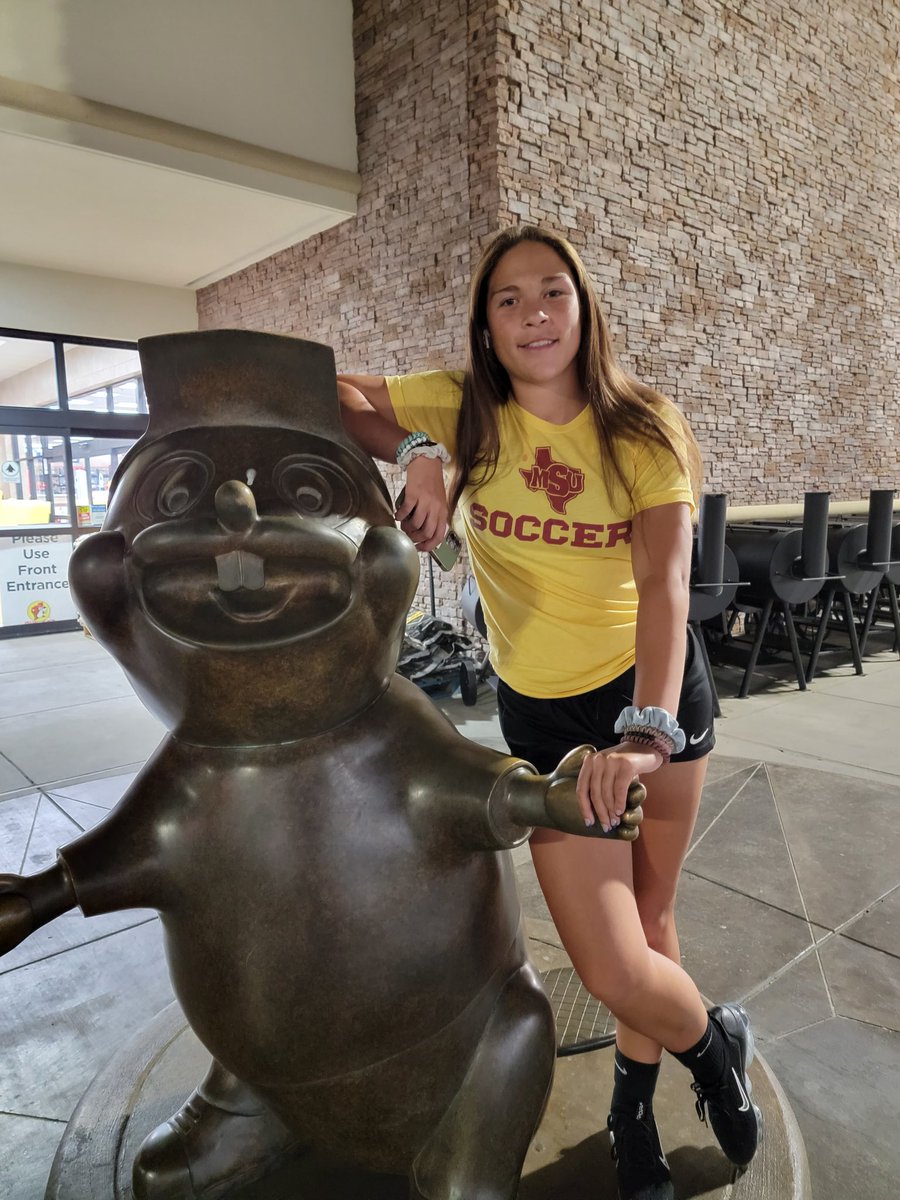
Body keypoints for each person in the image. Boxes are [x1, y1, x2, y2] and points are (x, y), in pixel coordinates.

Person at [337, 225, 760, 1200]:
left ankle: (630, 1110)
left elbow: (664, 586)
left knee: (650, 920)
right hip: (542, 711)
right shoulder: (465, 409)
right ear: (486, 326)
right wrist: (417, 453)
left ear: (583, 307)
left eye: (552, 292)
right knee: (613, 964)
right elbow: (328, 387)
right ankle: (714, 1045)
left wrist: (648, 731)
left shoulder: (645, 426)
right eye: (509, 299)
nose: (534, 314)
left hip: (648, 693)